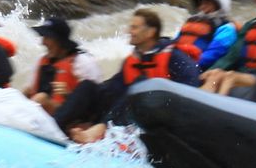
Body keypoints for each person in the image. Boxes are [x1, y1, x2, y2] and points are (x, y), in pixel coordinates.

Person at [59, 7, 201, 143]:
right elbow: (111, 90)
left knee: (140, 85)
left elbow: (191, 87)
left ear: (150, 32)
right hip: (125, 113)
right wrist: (75, 97)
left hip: (158, 114)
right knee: (88, 86)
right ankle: (58, 126)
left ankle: (98, 131)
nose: (129, 31)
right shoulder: (132, 60)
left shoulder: (175, 57)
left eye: (134, 27)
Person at [25, 15, 106, 131]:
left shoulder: (83, 62)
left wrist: (69, 94)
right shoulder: (41, 61)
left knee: (41, 98)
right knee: (26, 93)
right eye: (43, 37)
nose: (43, 42)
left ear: (60, 41)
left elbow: (96, 100)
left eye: (47, 37)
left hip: (71, 120)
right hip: (43, 115)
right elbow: (31, 92)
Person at [173, 0, 238, 70]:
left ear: (218, 5)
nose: (202, 7)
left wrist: (187, 65)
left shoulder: (227, 28)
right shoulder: (191, 21)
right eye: (201, 3)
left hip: (198, 69)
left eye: (207, 3)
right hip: (179, 63)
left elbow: (214, 54)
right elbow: (174, 43)